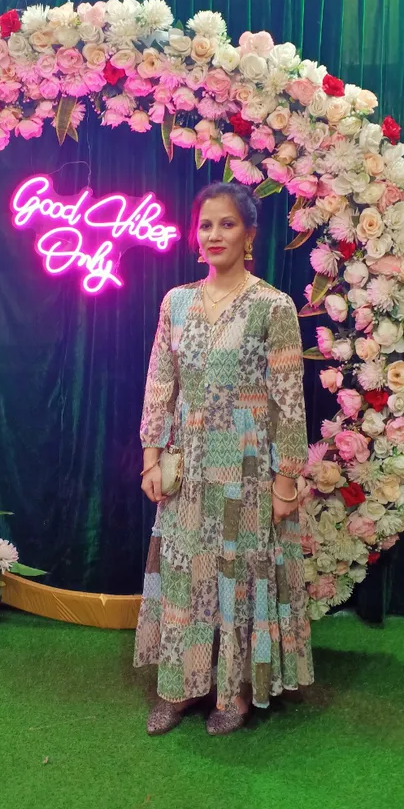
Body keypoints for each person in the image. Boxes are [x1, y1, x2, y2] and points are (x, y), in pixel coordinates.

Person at [134, 181, 314, 736]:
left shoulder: (272, 306)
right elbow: (160, 383)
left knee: (237, 579)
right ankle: (178, 688)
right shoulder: (177, 302)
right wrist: (150, 457)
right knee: (186, 575)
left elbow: (288, 398)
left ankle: (233, 694)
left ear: (250, 235)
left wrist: (287, 482)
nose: (214, 234)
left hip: (248, 468)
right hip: (186, 465)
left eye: (227, 224)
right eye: (206, 224)